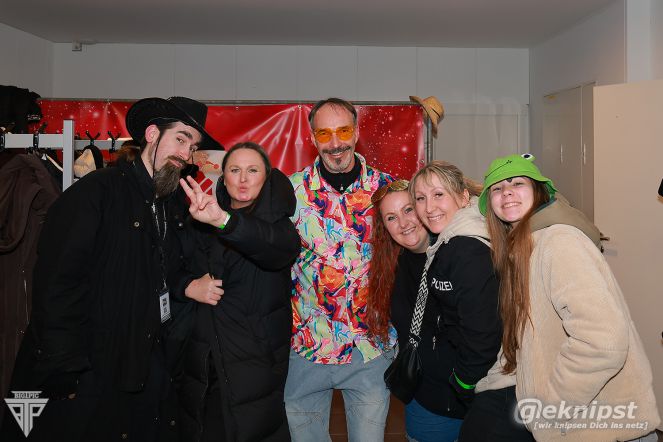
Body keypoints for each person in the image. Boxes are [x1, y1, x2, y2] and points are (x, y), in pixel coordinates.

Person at [0, 96, 223, 442]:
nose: (186, 154)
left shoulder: (171, 204)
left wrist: (187, 283)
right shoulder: (96, 192)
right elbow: (57, 284)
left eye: (192, 146)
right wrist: (64, 367)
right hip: (84, 370)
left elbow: (161, 270)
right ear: (152, 134)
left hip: (137, 364)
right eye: (180, 139)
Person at [480, 153, 660, 442]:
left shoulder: (559, 242)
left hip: (605, 426)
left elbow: (603, 341)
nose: (507, 192)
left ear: (539, 191)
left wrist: (551, 408)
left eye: (518, 183)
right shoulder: (522, 249)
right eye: (498, 188)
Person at [286, 97, 395, 441]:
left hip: (369, 349)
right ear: (312, 138)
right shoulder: (290, 192)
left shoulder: (387, 188)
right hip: (307, 348)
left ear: (356, 132)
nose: (335, 143)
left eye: (344, 131)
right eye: (325, 133)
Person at [176, 142, 300, 441]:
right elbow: (170, 266)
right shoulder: (202, 219)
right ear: (224, 177)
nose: (243, 179)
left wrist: (224, 221)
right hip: (205, 360)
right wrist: (188, 286)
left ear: (266, 177)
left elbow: (272, 249)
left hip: (254, 363)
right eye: (234, 170)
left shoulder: (278, 226)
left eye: (252, 170)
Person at [406, 161, 502, 442]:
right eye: (420, 198)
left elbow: (482, 331)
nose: (429, 207)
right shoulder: (451, 239)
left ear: (463, 197)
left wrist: (463, 382)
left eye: (439, 195)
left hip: (484, 384)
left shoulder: (466, 248)